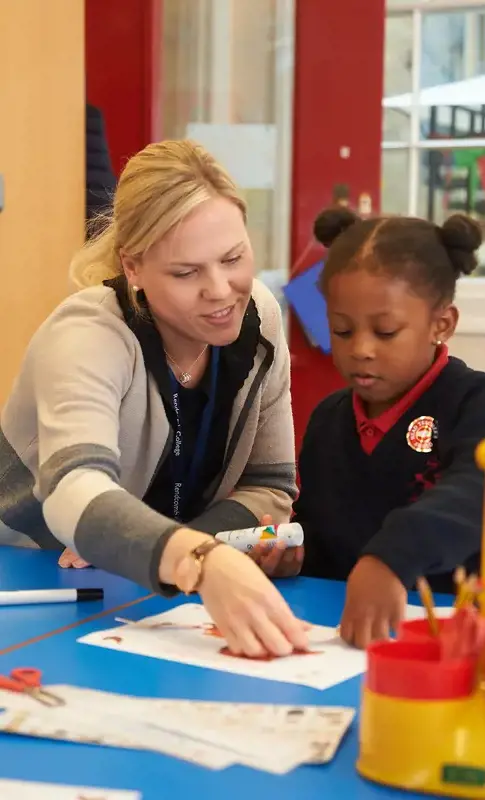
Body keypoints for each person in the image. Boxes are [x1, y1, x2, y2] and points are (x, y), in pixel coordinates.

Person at [0, 139, 308, 658]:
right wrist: (202, 559)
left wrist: (198, 550)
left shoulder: (261, 320)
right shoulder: (87, 334)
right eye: (186, 273)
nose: (220, 290)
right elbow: (74, 491)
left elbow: (270, 486)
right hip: (37, 583)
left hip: (157, 583)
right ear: (134, 268)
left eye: (233, 258)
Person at [293, 206, 485, 649]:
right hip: (344, 648)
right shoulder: (327, 419)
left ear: (442, 323)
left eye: (385, 332)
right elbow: (326, 545)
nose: (360, 349)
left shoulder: (472, 405)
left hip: (448, 646)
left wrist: (391, 558)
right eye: (342, 331)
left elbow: (470, 497)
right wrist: (292, 554)